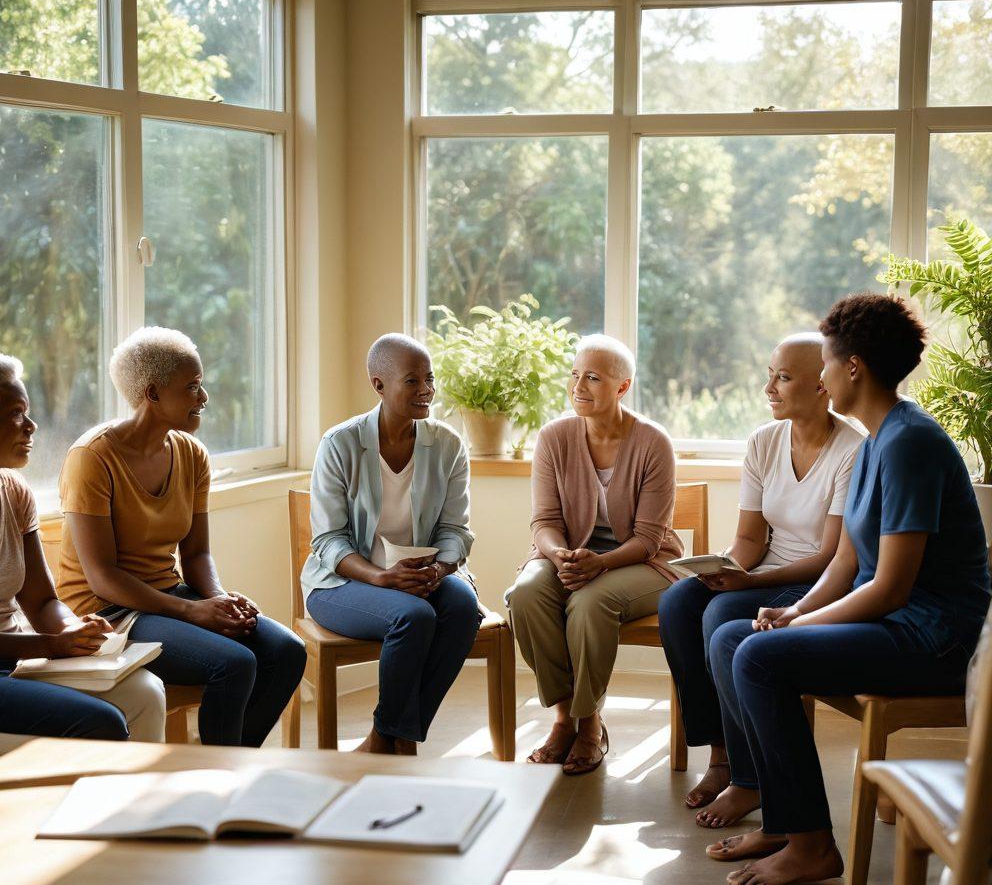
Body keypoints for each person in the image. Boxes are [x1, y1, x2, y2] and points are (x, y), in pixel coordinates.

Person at [708, 292, 991, 885]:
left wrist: (800, 630)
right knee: (733, 633)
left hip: (933, 637)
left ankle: (810, 845)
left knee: (758, 656)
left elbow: (889, 588)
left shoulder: (910, 444)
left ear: (852, 367)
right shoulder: (874, 439)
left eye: (829, 362)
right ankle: (785, 823)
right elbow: (845, 561)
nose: (824, 375)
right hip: (894, 623)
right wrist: (795, 609)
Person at [0, 348, 149, 885]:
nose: (31, 426)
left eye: (28, 412)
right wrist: (44, 642)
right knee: (96, 729)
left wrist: (76, 631)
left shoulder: (12, 493)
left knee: (138, 692)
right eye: (14, 416)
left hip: (11, 660)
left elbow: (43, 597)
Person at [57, 328, 306, 747]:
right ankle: (213, 778)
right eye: (192, 387)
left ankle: (231, 766)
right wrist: (192, 612)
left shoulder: (191, 453)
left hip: (168, 596)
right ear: (152, 393)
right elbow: (102, 578)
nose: (203, 397)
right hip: (107, 613)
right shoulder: (93, 457)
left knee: (286, 651)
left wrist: (218, 599)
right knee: (235, 663)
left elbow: (197, 553)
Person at [657, 334, 863, 823]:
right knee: (680, 601)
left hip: (817, 583)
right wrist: (724, 568)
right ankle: (722, 753)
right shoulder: (763, 440)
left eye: (783, 377)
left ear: (822, 385)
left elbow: (830, 557)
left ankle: (749, 776)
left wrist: (743, 587)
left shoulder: (853, 451)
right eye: (770, 373)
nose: (768, 387)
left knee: (725, 613)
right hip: (765, 571)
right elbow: (750, 538)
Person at [506, 335, 682, 775]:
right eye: (574, 374)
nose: (578, 386)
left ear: (622, 388)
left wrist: (600, 563)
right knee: (525, 593)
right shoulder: (554, 437)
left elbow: (647, 537)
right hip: (570, 555)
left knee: (589, 602)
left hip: (645, 562)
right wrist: (560, 555)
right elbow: (544, 520)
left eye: (593, 378)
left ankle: (588, 725)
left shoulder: (653, 443)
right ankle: (566, 716)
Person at [302, 333, 481, 754]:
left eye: (430, 379)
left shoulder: (448, 446)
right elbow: (328, 540)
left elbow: (456, 530)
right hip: (342, 583)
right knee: (414, 617)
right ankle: (396, 741)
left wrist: (440, 569)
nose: (426, 391)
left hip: (422, 576)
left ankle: (389, 736)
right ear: (378, 384)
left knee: (461, 606)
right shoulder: (340, 444)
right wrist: (381, 578)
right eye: (412, 381)